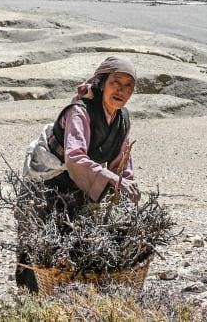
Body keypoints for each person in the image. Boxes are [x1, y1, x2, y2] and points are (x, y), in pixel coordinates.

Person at [13, 55, 140, 290]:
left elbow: (122, 161)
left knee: (77, 236)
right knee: (42, 237)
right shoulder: (80, 112)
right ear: (102, 83)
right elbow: (75, 156)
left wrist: (126, 185)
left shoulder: (123, 120)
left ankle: (71, 297)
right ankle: (33, 297)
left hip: (80, 179)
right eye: (116, 82)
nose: (121, 90)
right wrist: (112, 179)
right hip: (51, 177)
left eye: (128, 85)